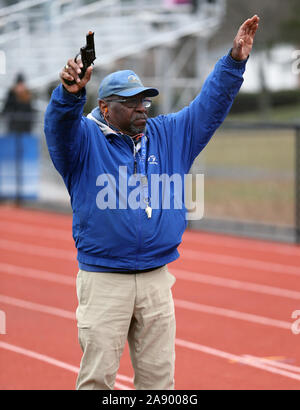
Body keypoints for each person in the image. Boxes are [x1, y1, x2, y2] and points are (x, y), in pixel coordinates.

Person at [44, 15, 259, 390]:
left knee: (159, 384)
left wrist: (234, 62)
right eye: (131, 102)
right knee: (97, 382)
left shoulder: (168, 134)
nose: (143, 107)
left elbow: (209, 106)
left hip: (157, 278)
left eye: (145, 99)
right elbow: (58, 127)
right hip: (104, 278)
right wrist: (69, 94)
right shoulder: (82, 142)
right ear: (106, 108)